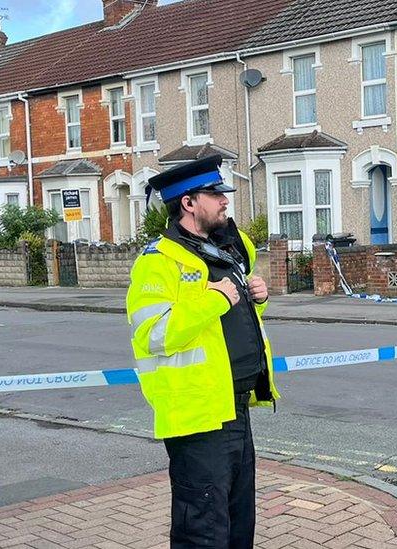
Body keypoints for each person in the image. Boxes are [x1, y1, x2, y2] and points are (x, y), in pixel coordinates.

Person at [126, 154, 279, 548]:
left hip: (235, 407)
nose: (225, 200)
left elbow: (227, 319)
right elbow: (155, 334)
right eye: (214, 194)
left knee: (238, 521)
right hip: (197, 417)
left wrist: (255, 298)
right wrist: (214, 299)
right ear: (189, 203)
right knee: (203, 530)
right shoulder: (158, 262)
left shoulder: (224, 248)